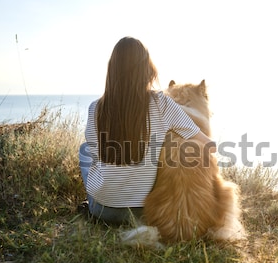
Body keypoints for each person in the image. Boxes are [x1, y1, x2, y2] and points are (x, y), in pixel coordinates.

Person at [79, 36, 214, 225]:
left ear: (112, 70)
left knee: (84, 150)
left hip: (102, 210)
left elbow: (96, 155)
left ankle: (98, 198)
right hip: (145, 213)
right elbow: (209, 146)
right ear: (147, 69)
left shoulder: (96, 108)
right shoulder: (163, 104)